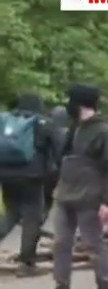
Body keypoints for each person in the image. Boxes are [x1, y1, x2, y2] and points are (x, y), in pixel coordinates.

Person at [43, 85, 108, 289]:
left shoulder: (104, 131)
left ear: (79, 103)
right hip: (65, 195)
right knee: (61, 244)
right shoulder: (73, 129)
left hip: (90, 197)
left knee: (94, 244)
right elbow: (63, 162)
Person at [0, 93, 59, 277]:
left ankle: (26, 261)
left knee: (11, 214)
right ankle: (27, 264)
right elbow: (58, 150)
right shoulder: (43, 123)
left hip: (5, 175)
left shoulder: (6, 121)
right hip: (31, 177)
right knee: (32, 217)